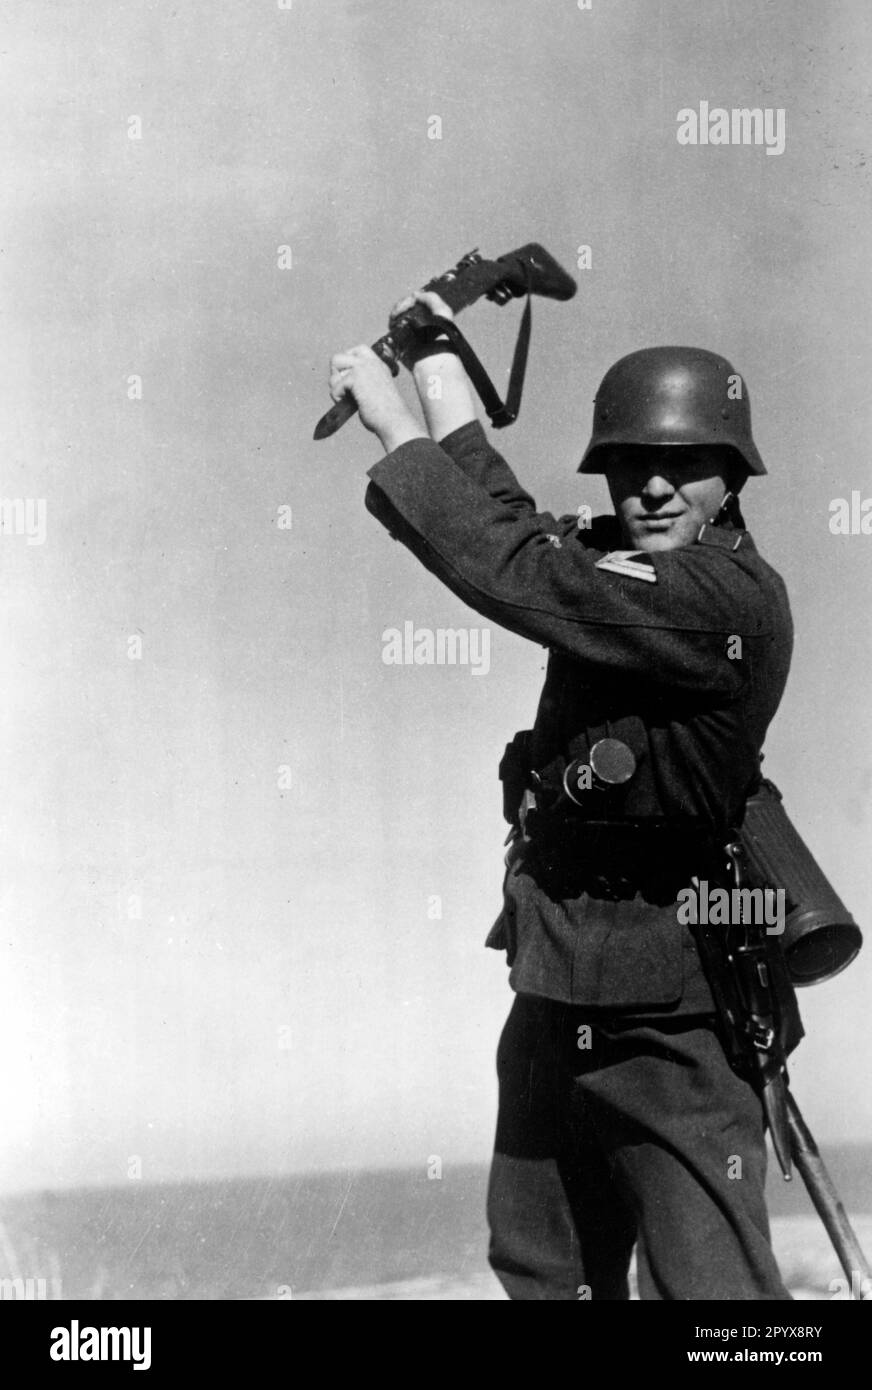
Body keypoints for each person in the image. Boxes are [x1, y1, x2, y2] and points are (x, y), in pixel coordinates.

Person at [329, 293, 794, 1300]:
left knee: (717, 1303)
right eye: (628, 465)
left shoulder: (723, 601)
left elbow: (519, 576)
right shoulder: (621, 568)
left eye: (682, 464)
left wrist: (395, 430)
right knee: (545, 1276)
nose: (653, 486)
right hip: (554, 982)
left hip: (670, 1015)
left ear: (734, 474)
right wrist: (445, 382)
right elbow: (520, 532)